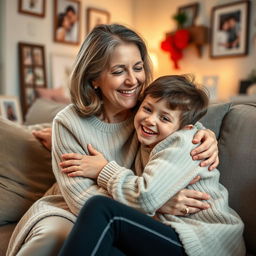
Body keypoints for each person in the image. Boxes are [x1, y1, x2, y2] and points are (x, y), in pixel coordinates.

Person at [7, 24, 218, 256]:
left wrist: (206, 135)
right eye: (118, 71)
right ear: (94, 78)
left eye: (137, 68)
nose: (133, 81)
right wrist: (155, 204)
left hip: (141, 222)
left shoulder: (147, 109)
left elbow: (181, 126)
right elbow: (83, 202)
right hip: (105, 213)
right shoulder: (68, 123)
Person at [58, 75, 245, 256]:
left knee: (102, 209)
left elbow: (145, 197)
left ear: (185, 127)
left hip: (206, 241)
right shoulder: (150, 141)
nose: (151, 120)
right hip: (172, 233)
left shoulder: (185, 142)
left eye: (164, 118)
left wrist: (103, 170)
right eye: (147, 109)